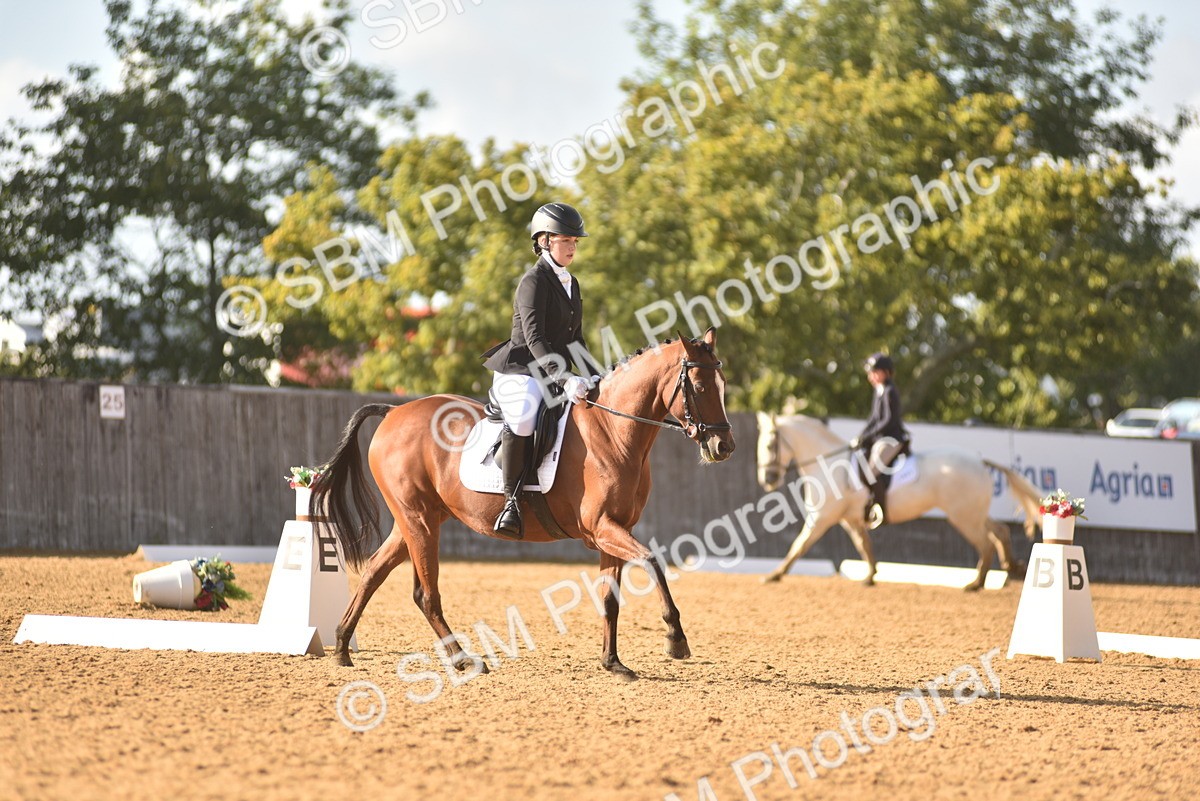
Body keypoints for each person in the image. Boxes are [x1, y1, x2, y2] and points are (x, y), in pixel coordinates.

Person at [480, 202, 597, 539]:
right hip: (521, 370)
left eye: (575, 241)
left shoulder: (572, 283)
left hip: (551, 371)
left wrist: (594, 375)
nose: (572, 247)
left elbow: (575, 339)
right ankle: (511, 503)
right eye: (566, 240)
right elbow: (535, 339)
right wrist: (564, 376)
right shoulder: (533, 281)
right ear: (544, 240)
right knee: (524, 414)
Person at [850, 352, 910, 529]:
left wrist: (868, 436)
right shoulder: (878, 391)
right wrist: (860, 436)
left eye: (874, 372)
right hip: (880, 438)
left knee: (872, 471)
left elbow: (888, 421)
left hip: (891, 439)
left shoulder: (890, 392)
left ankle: (880, 511)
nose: (870, 377)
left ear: (885, 372)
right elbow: (873, 419)